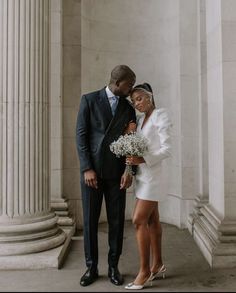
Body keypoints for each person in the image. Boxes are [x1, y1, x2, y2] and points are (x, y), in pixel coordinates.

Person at [76, 65, 136, 287]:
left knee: (117, 221)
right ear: (118, 83)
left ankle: (113, 266)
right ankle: (91, 267)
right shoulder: (89, 100)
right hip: (92, 173)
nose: (131, 89)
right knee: (90, 222)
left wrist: (129, 171)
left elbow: (132, 143)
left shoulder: (128, 108)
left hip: (117, 174)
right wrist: (86, 169)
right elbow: (81, 137)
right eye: (129, 84)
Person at [124, 83, 172, 290]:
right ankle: (158, 264)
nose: (137, 103)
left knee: (138, 220)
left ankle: (144, 272)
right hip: (142, 177)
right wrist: (130, 134)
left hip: (154, 177)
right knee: (152, 220)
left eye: (140, 98)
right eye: (134, 101)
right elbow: (135, 149)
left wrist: (143, 159)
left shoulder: (161, 115)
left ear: (150, 97)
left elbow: (167, 149)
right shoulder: (141, 120)